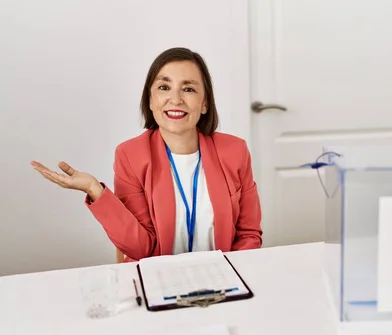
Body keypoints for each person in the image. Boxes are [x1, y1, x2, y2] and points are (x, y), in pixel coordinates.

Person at [31, 47, 262, 262]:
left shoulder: (235, 151)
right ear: (150, 99)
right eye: (164, 87)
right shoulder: (130, 156)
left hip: (224, 282)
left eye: (188, 89)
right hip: (159, 284)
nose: (176, 99)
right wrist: (95, 190)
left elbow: (249, 234)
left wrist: (233, 276)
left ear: (204, 104)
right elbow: (141, 249)